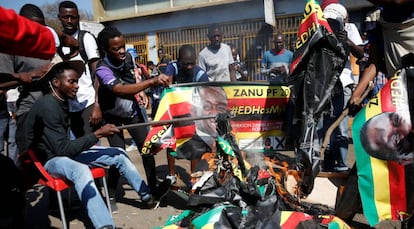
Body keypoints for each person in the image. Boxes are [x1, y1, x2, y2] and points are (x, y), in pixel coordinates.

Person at [24, 59, 154, 229]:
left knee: (118, 154)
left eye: (77, 81)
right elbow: (62, 149)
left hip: (63, 153)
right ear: (56, 83)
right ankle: (105, 225)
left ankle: (148, 197)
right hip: (48, 161)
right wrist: (97, 134)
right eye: (71, 81)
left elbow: (66, 146)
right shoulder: (48, 106)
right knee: (81, 171)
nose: (77, 85)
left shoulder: (61, 101)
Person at [95, 26, 170, 205]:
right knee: (118, 154)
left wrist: (140, 92)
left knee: (147, 150)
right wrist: (150, 82)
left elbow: (131, 78)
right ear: (105, 50)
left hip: (132, 113)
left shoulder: (128, 58)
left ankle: (153, 189)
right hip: (112, 117)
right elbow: (119, 89)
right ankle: (112, 194)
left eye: (123, 46)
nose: (122, 51)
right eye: (116, 48)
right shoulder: (102, 68)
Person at [161, 44, 210, 183]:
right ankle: (171, 174)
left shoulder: (200, 74)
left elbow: (206, 95)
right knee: (171, 142)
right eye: (186, 63)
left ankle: (192, 177)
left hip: (193, 113)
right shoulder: (173, 67)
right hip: (175, 112)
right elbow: (168, 87)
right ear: (178, 60)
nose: (189, 67)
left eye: (192, 63)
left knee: (196, 145)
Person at [58, 1, 102, 139]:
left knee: (91, 150)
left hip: (87, 104)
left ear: (78, 18)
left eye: (74, 17)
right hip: (66, 108)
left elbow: (98, 74)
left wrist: (97, 105)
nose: (70, 21)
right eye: (66, 17)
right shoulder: (56, 42)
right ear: (59, 17)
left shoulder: (86, 38)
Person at [176, 86, 228, 172]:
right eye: (207, 107)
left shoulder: (229, 140)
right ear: (194, 111)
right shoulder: (189, 144)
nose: (214, 113)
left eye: (220, 107)